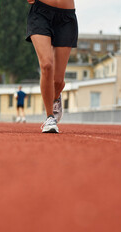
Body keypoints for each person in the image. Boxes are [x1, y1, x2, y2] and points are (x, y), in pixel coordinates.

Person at [25, 0, 78, 133]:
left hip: (66, 17)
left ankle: (55, 97)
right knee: (47, 65)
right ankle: (50, 117)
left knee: (58, 81)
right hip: (40, 13)